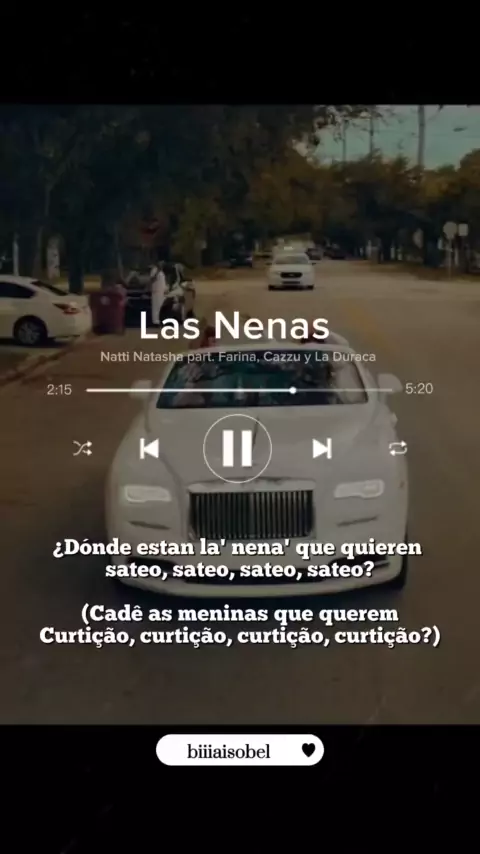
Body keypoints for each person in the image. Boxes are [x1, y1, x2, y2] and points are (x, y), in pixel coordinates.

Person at [150, 262, 167, 327]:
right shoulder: (154, 270)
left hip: (162, 292)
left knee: (161, 306)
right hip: (156, 291)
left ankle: (160, 321)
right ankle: (155, 322)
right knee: (156, 307)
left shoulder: (162, 272)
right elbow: (152, 279)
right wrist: (157, 272)